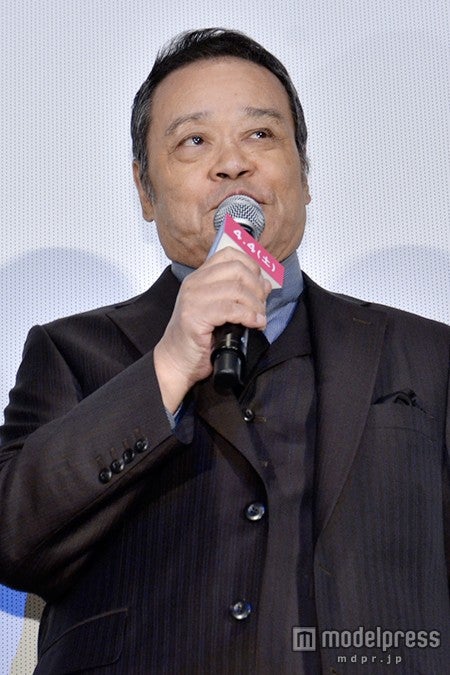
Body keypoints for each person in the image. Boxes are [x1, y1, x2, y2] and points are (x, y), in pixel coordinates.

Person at [0, 28, 448, 675]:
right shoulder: (70, 352)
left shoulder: (428, 355)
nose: (233, 164)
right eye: (194, 141)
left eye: (260, 134)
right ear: (145, 190)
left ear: (304, 172)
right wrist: (167, 366)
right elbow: (14, 539)